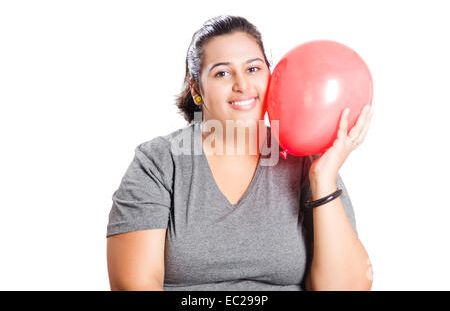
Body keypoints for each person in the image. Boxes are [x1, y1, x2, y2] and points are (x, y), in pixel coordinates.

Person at [106, 15, 374, 291]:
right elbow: (134, 284)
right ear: (197, 90)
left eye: (253, 69)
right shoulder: (158, 163)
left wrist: (324, 179)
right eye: (222, 73)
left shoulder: (307, 163)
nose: (242, 85)